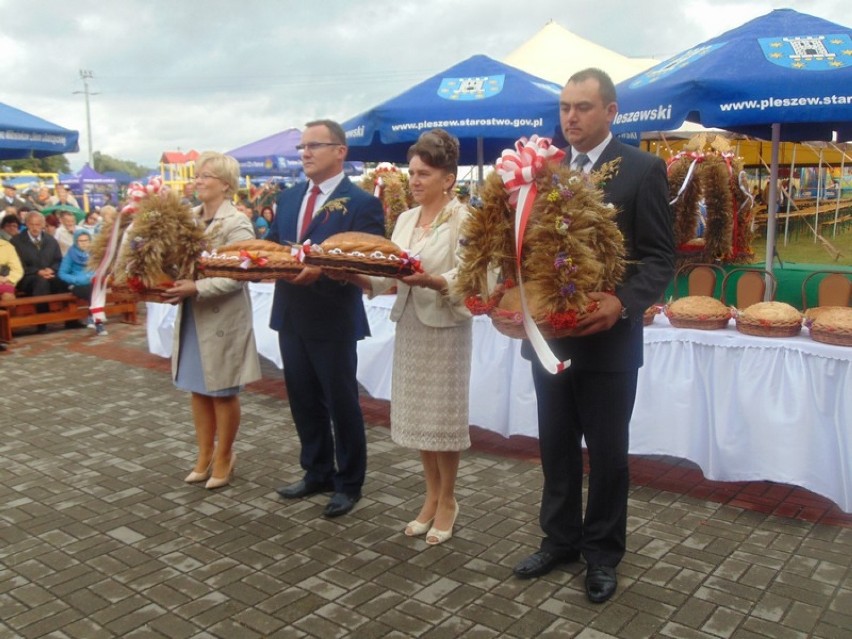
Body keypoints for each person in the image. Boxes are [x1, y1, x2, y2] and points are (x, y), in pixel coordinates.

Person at [512, 68, 674, 604]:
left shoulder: (643, 168)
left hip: (608, 342)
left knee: (607, 455)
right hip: (550, 342)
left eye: (582, 107)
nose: (571, 117)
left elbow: (658, 257)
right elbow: (526, 254)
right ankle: (559, 539)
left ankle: (602, 554)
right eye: (564, 108)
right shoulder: (543, 172)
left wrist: (623, 303)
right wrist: (513, 303)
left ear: (611, 111)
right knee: (555, 448)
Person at [342, 129, 472, 543]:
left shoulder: (464, 219)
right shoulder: (404, 219)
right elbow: (388, 275)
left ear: (448, 178)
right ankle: (430, 496)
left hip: (446, 326)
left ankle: (448, 498)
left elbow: (474, 276)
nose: (414, 181)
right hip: (411, 325)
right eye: (412, 172)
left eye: (424, 174)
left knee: (442, 419)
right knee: (419, 418)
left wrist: (435, 281)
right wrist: (355, 276)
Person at [268, 119, 384, 518]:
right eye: (301, 147)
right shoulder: (287, 198)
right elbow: (271, 244)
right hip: (290, 312)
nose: (305, 153)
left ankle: (349, 482)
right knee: (302, 398)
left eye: (314, 145)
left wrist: (323, 269)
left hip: (332, 316)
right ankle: (316, 470)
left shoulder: (361, 203)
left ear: (340, 151)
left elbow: (368, 257)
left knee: (341, 401)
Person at [163, 152, 262, 490]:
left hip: (221, 317)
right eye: (197, 175)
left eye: (206, 176)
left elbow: (239, 275)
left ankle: (225, 455)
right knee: (198, 389)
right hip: (192, 314)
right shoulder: (188, 217)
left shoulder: (236, 223)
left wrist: (197, 287)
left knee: (221, 391)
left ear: (226, 184)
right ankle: (203, 455)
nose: (198, 181)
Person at [58, 229, 102, 333]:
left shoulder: (93, 253)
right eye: (81, 241)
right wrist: (76, 279)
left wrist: (92, 276)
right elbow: (62, 273)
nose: (84, 243)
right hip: (76, 284)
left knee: (95, 290)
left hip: (91, 282)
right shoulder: (70, 254)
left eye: (86, 240)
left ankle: (93, 319)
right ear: (76, 241)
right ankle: (96, 320)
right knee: (94, 292)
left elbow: (98, 268)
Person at [0, 236, 24, 301]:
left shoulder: (7, 246)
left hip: (3, 282)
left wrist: (8, 279)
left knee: (8, 296)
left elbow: (17, 270)